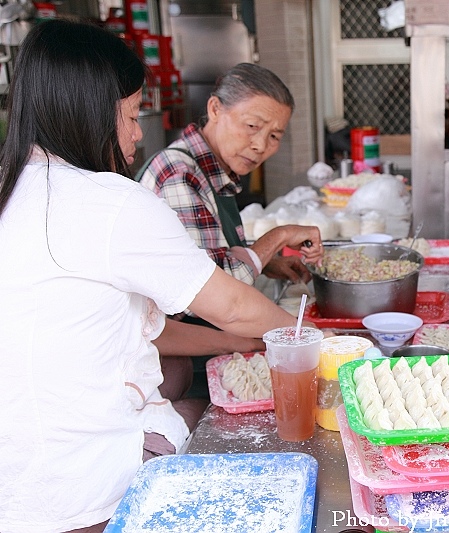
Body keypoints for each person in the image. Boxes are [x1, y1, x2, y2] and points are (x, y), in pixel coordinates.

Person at [0, 20, 307, 532]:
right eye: (130, 115)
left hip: (20, 485)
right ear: (86, 113)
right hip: (88, 488)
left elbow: (136, 328)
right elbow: (232, 303)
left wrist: (238, 340)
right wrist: (308, 339)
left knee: (189, 403)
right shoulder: (108, 202)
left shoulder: (15, 190)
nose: (139, 132)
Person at [138, 63, 323, 291]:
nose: (260, 145)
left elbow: (210, 255)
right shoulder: (180, 174)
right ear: (215, 109)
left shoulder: (215, 170)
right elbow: (211, 293)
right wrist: (280, 236)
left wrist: (266, 262)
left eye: (274, 136)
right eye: (252, 125)